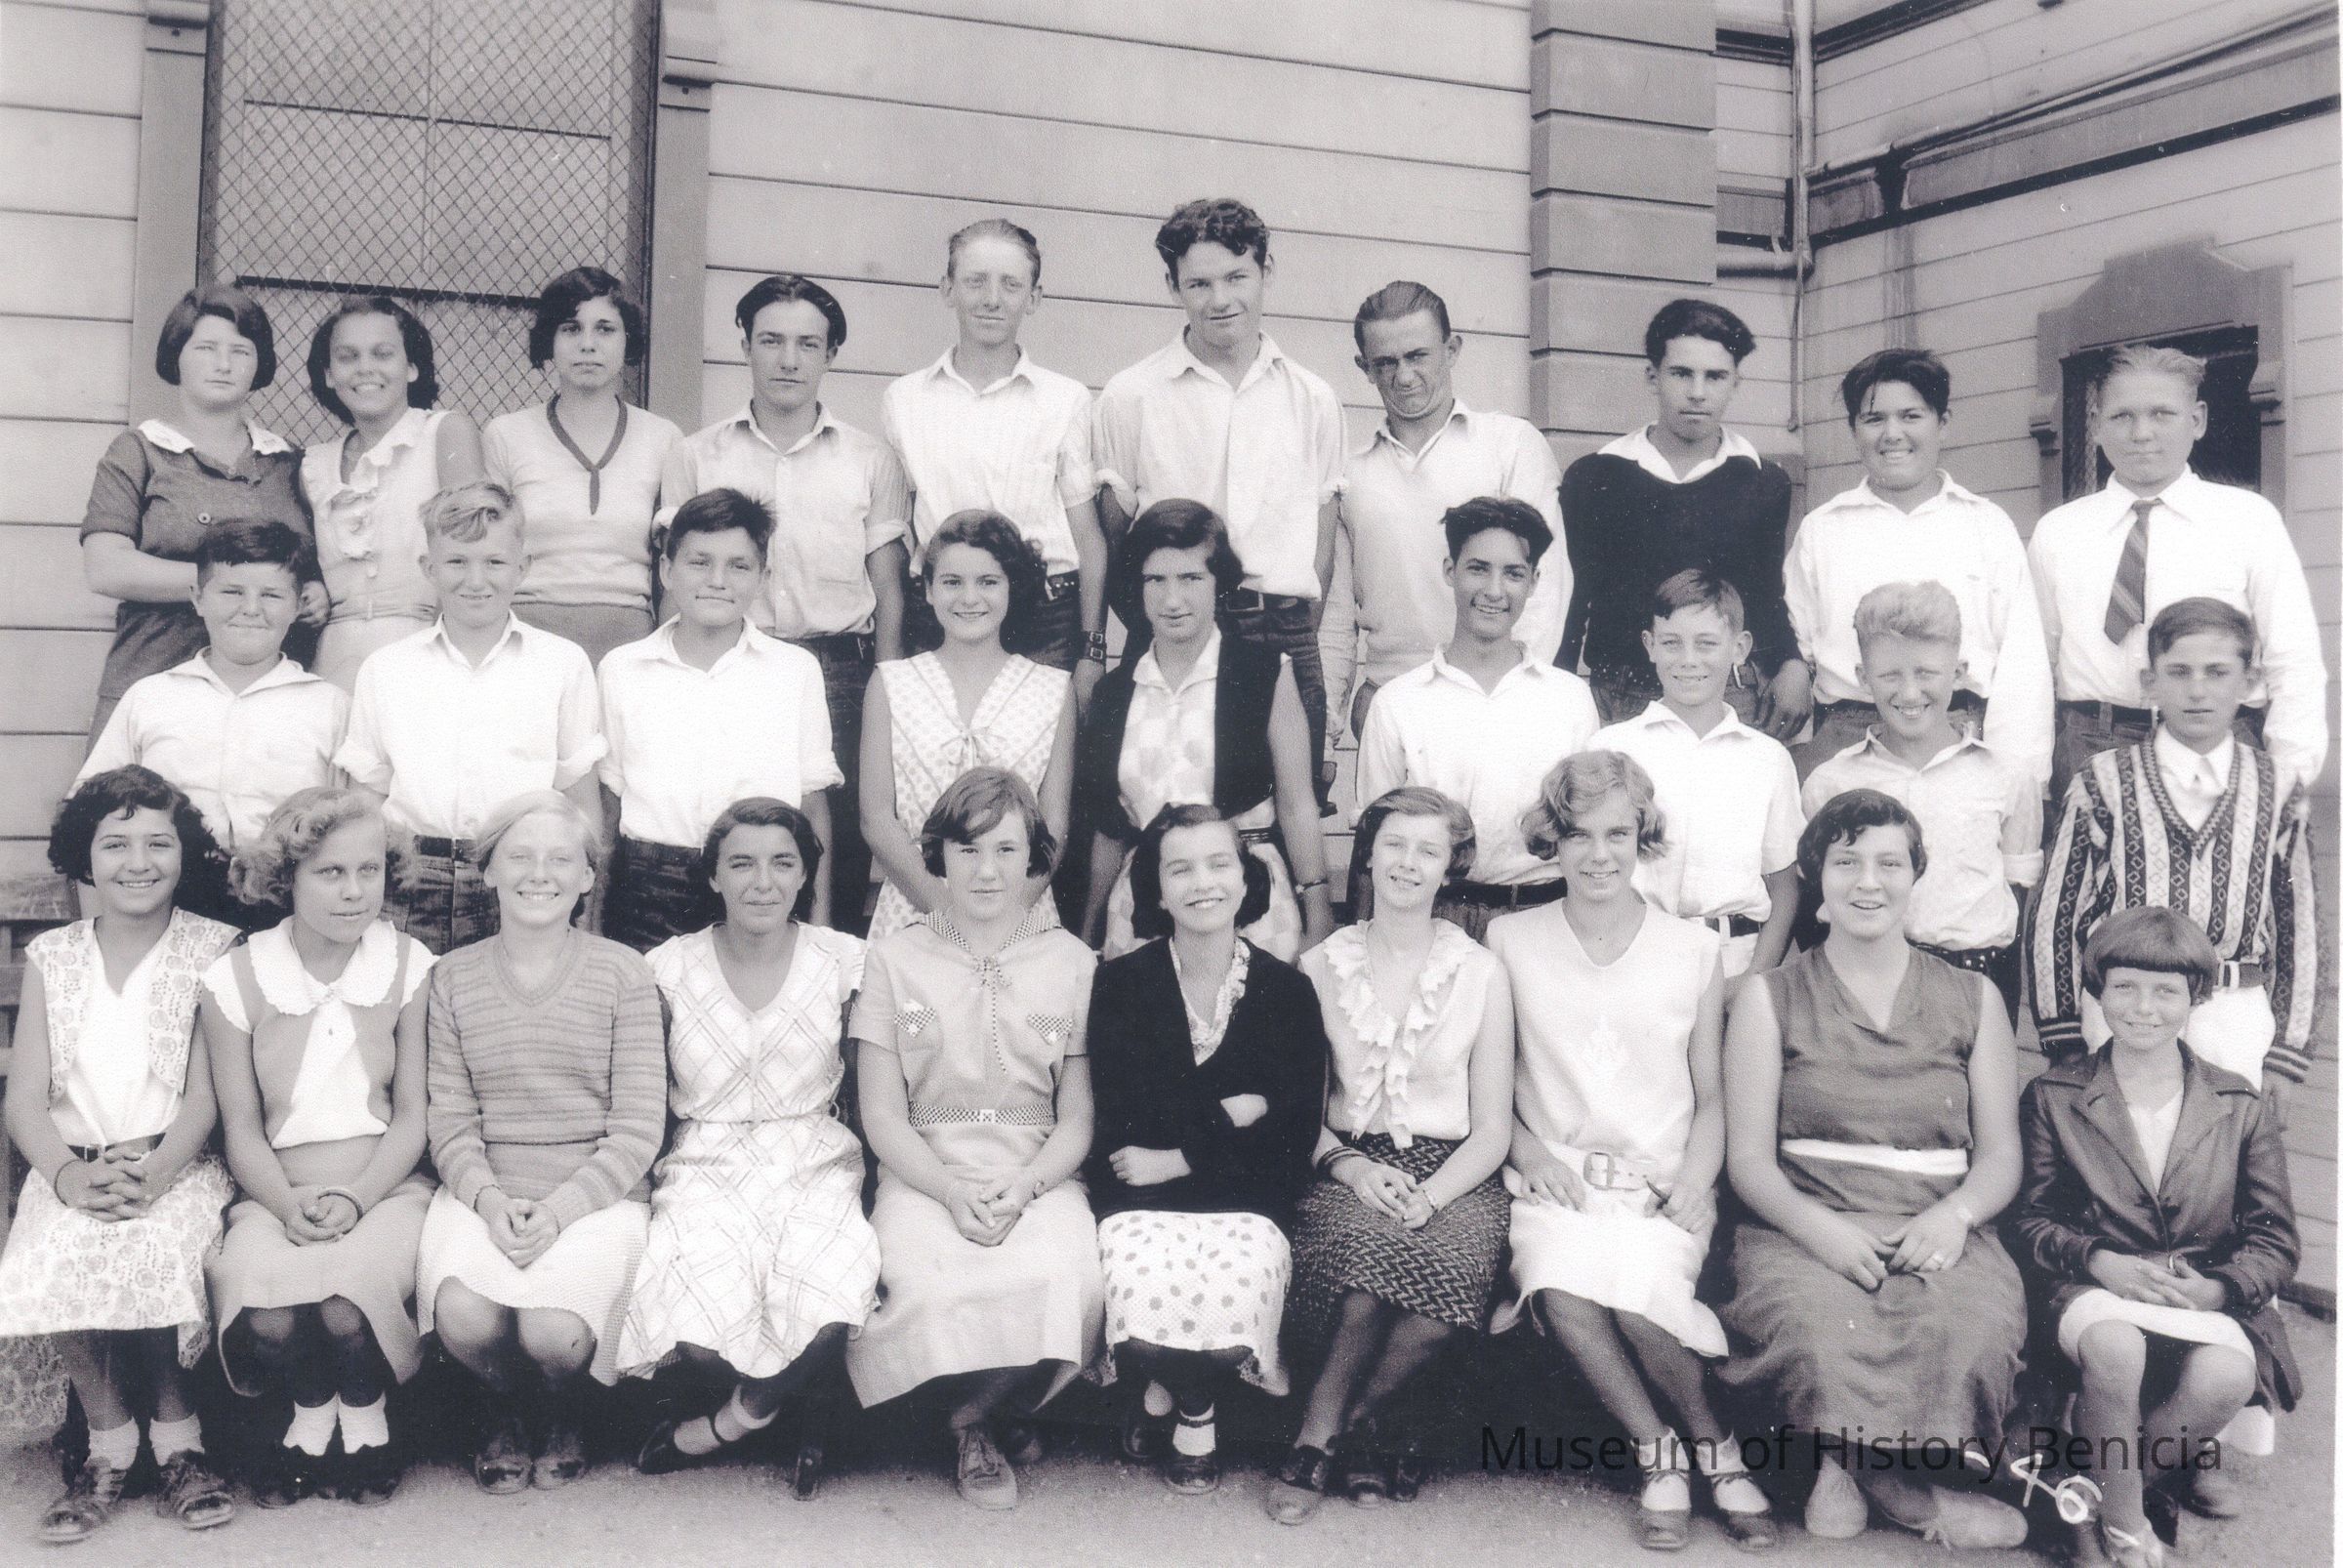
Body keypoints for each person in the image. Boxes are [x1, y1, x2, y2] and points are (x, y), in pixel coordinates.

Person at [1719, 789, 2029, 1549]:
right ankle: (1904, 1494)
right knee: (1816, 1322)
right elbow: (1749, 1159)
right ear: (1816, 877)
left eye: (1890, 863)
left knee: (1968, 1323)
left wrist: (1955, 1216)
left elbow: (2000, 1155)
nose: (1868, 882)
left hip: (1934, 1218)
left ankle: (1854, 1472)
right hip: (1805, 1218)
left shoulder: (1974, 996)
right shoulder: (1769, 996)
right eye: (1846, 861)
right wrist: (1818, 1231)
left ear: (1916, 874)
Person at [1486, 753, 1776, 1552]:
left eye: (1618, 833)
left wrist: (1697, 1184)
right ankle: (1660, 1452)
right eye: (1578, 834)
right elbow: (1493, 1086)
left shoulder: (1693, 949)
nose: (1599, 854)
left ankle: (1715, 1445)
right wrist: (1529, 1153)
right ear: (1553, 840)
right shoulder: (1510, 939)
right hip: (1557, 1180)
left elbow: (1711, 1097)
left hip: (1658, 1182)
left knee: (1642, 1299)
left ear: (1642, 836)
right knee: (1564, 1287)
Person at [844, 769, 1104, 1510]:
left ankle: (972, 1418)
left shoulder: (1074, 963)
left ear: (1034, 858)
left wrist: (1024, 1188)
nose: (986, 870)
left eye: (1005, 849)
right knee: (928, 1283)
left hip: (1037, 1172)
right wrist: (951, 1190)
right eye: (967, 850)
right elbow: (883, 1116)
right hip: (925, 1171)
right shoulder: (894, 958)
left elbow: (1077, 1119)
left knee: (1070, 1278)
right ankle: (988, 1414)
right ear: (938, 856)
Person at [2014, 907, 2298, 1568]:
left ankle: (2085, 1498)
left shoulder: (2238, 1103)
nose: (2144, 1008)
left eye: (2166, 991)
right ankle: (2126, 1530)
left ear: (2196, 997)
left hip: (2193, 1293)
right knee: (2115, 1347)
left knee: (2228, 1375)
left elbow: (2275, 1240)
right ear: (2098, 990)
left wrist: (2219, 1288)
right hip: (2088, 1288)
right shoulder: (2054, 1094)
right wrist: (2097, 1261)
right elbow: (2028, 1219)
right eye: (2125, 987)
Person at [0, 767, 240, 1544]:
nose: (138, 862)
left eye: (158, 843)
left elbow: (205, 1098)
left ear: (185, 852)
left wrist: (155, 1174)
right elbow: (24, 1098)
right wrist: (69, 1177)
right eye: (116, 844)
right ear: (85, 855)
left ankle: (179, 1443)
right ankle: (108, 1446)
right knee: (52, 1251)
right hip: (72, 1167)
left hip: (176, 1166)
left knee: (150, 1247)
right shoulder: (55, 956)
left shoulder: (213, 950)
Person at [1269, 787, 1513, 1523]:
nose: (1409, 863)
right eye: (1395, 845)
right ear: (1368, 856)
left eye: (1428, 851)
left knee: (1451, 1280)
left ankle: (1344, 1428)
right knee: (1366, 1274)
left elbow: (1493, 1130)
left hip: (1456, 1172)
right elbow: (1299, 1113)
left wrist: (1433, 1195)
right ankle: (1327, 1435)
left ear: (1450, 868)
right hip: (1347, 1163)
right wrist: (1350, 1167)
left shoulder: (1481, 972)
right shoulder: (1320, 965)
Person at [622, 800, 875, 1495]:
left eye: (782, 863)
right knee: (697, 1313)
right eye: (742, 864)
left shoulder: (845, 962)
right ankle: (790, 1403)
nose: (763, 882)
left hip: (813, 1157)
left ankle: (736, 1420)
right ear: (714, 877)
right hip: (704, 1160)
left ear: (805, 875)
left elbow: (890, 1064)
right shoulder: (666, 968)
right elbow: (644, 1091)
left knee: (829, 1291)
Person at [415, 791, 663, 1492]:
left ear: (588, 877)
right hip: (486, 1189)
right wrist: (491, 1202)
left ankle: (562, 1405)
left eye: (561, 859)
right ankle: (501, 1404)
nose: (539, 873)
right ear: (489, 871)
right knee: (464, 1316)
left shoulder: (625, 972)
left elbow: (638, 1125)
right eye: (519, 856)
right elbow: (451, 1122)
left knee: (553, 1332)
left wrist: (559, 1210)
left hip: (597, 1194)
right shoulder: (451, 977)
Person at [200, 789, 435, 1506]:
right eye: (330, 872)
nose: (354, 890)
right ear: (287, 878)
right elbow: (241, 1129)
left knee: (344, 1305)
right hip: (273, 1192)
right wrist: (283, 1204)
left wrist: (359, 1197)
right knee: (269, 1317)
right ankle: (310, 1412)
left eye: (369, 870)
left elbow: (412, 1116)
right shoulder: (236, 977)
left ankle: (365, 1420)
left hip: (385, 1186)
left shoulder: (407, 964)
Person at [1084, 805, 1329, 1494]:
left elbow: (1294, 1135)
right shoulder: (1120, 985)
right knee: (1142, 1311)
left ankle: (1174, 1392)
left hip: (1245, 1199)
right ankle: (1193, 1400)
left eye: (1220, 864)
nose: (1203, 883)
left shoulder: (1288, 991)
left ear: (1246, 878)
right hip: (1141, 1197)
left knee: (1230, 1310)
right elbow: (1121, 1120)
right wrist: (1234, 1112)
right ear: (1157, 890)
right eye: (1180, 869)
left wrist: (1183, 1154)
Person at [666, 274, 912, 928]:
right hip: (731, 661)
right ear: (744, 344)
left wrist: (886, 685)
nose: (788, 359)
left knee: (837, 839)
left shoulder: (870, 459)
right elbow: (678, 576)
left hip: (839, 668)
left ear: (831, 354)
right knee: (729, 828)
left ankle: (829, 962)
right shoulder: (696, 455)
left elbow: (888, 586)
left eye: (808, 344)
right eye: (771, 340)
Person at [1093, 198, 1345, 781]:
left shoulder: (1312, 398)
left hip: (1283, 629)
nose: (1220, 299)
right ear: (1173, 286)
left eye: (1237, 277)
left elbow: (1322, 545)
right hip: (1174, 628)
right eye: (1199, 284)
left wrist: (1290, 630)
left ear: (1265, 271)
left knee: (1288, 804)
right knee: (1165, 800)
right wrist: (1166, 619)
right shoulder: (1131, 396)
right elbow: (1116, 538)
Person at [2031, 598, 2318, 1103]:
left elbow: (2300, 925)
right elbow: (2057, 913)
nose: (2198, 690)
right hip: (2124, 1012)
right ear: (2150, 682)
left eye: (2217, 672)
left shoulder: (2276, 786)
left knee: (2223, 1146)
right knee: (2119, 1146)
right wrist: (2065, 1035)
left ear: (2249, 682)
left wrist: (2287, 1053)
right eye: (2179, 672)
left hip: (2233, 1015)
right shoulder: (2103, 780)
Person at [2027, 344, 2327, 808]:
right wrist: (2033, 782)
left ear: (2198, 420)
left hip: (2220, 746)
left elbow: (2293, 658)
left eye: (2162, 414)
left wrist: (2289, 778)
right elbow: (2032, 668)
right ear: (2096, 424)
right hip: (2092, 744)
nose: (2142, 433)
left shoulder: (2248, 520)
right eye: (2122, 416)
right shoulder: (2058, 532)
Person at [334, 481, 606, 953]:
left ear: (522, 567)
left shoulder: (562, 664)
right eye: (457, 562)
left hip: (520, 878)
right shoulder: (387, 668)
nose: (476, 580)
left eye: (494, 563)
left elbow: (580, 801)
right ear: (429, 568)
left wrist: (586, 910)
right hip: (410, 878)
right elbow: (366, 798)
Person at [1784, 348, 2052, 788]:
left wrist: (2024, 780)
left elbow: (2022, 667)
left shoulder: (1986, 525)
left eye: (1911, 416)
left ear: (1942, 423)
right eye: (1874, 419)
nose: (1893, 434)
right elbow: (1799, 652)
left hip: (1961, 736)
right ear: (1854, 429)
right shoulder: (1822, 529)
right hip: (1848, 738)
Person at [1078, 500, 1333, 959]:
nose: (1172, 599)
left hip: (1250, 904)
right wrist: (1090, 930)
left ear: (1219, 582)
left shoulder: (1263, 673)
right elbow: (1110, 829)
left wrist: (1319, 915)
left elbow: (1297, 805)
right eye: (1156, 580)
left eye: (1191, 578)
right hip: (1144, 907)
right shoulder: (1115, 692)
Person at [1323, 280, 1569, 743]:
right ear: (1365, 368)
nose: (1404, 376)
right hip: (1389, 703)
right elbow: (1336, 619)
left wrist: (1514, 700)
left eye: (1418, 356)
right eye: (1386, 362)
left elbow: (1544, 588)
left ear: (1452, 349)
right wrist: (1327, 726)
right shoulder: (1349, 474)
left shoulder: (1511, 445)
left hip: (1493, 702)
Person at [597, 489, 840, 948]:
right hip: (650, 887)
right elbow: (609, 805)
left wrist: (821, 923)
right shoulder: (622, 669)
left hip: (760, 885)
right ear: (666, 570)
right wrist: (592, 920)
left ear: (763, 577)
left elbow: (813, 804)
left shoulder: (795, 671)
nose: (717, 580)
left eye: (738, 566)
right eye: (699, 562)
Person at [78, 519, 348, 927]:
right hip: (168, 906)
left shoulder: (329, 706)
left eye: (272, 595)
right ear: (198, 598)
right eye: (232, 592)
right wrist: (101, 934)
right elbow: (88, 816)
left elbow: (349, 831)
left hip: (288, 911)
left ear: (297, 605)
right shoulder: (150, 698)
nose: (251, 609)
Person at [80, 283, 320, 740]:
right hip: (156, 669)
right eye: (206, 348)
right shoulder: (139, 451)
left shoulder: (289, 462)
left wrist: (312, 590)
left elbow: (313, 568)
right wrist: (233, 586)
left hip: (267, 692)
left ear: (259, 364)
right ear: (177, 356)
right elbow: (105, 568)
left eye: (240, 351)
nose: (224, 364)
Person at [1558, 298, 1804, 737]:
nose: (1697, 392)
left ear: (1736, 382)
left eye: (1715, 376)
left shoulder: (1763, 481)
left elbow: (1766, 594)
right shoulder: (1597, 475)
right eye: (1681, 373)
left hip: (1728, 691)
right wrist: (1552, 686)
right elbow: (1572, 599)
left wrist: (1791, 663)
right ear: (1653, 377)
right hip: (1620, 695)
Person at [1353, 497, 1597, 938]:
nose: (1494, 591)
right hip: (1434, 915)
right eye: (1478, 569)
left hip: (1544, 915)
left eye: (1513, 573)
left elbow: (1587, 831)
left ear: (1534, 582)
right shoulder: (1398, 702)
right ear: (1451, 571)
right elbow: (1374, 847)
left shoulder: (1569, 698)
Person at [883, 220, 1108, 693]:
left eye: (1010, 284)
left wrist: (1092, 649)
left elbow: (1088, 538)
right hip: (942, 611)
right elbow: (898, 533)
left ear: (1034, 297)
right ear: (947, 289)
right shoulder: (905, 399)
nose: (992, 299)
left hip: (1044, 617)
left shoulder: (1064, 399)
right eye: (975, 281)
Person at [1802, 581, 2041, 1019]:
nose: (1910, 693)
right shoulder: (1831, 783)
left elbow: (2017, 887)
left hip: (1974, 979)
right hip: (1861, 978)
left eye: (1926, 673)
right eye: (1890, 676)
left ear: (1959, 672)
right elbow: (1817, 891)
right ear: (1863, 679)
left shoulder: (2007, 777)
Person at [861, 509, 1073, 940]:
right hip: (915, 909)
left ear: (1013, 587)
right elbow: (876, 818)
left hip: (1019, 914)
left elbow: (1054, 824)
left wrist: (1005, 917)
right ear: (928, 589)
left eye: (988, 582)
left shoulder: (1053, 688)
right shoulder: (891, 683)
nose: (969, 598)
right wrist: (947, 914)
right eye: (952, 582)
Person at [1589, 569, 1802, 981]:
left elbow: (1784, 887)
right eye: (1672, 643)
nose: (1688, 660)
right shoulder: (1612, 748)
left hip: (1736, 959)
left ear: (1739, 648)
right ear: (1650, 646)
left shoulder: (1768, 759)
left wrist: (1754, 978)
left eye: (1707, 643)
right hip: (1634, 956)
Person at [481, 267, 681, 665]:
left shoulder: (663, 438)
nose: (588, 344)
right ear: (550, 341)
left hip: (629, 643)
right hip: (527, 642)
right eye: (571, 329)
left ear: (628, 340)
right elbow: (488, 555)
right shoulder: (506, 434)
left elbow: (676, 566)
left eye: (605, 329)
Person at [301, 294, 485, 688]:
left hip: (427, 654)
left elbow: (474, 552)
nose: (365, 368)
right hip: (334, 664)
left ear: (412, 367)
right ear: (329, 374)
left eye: (382, 354)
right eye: (348, 357)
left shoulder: (445, 433)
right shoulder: (312, 466)